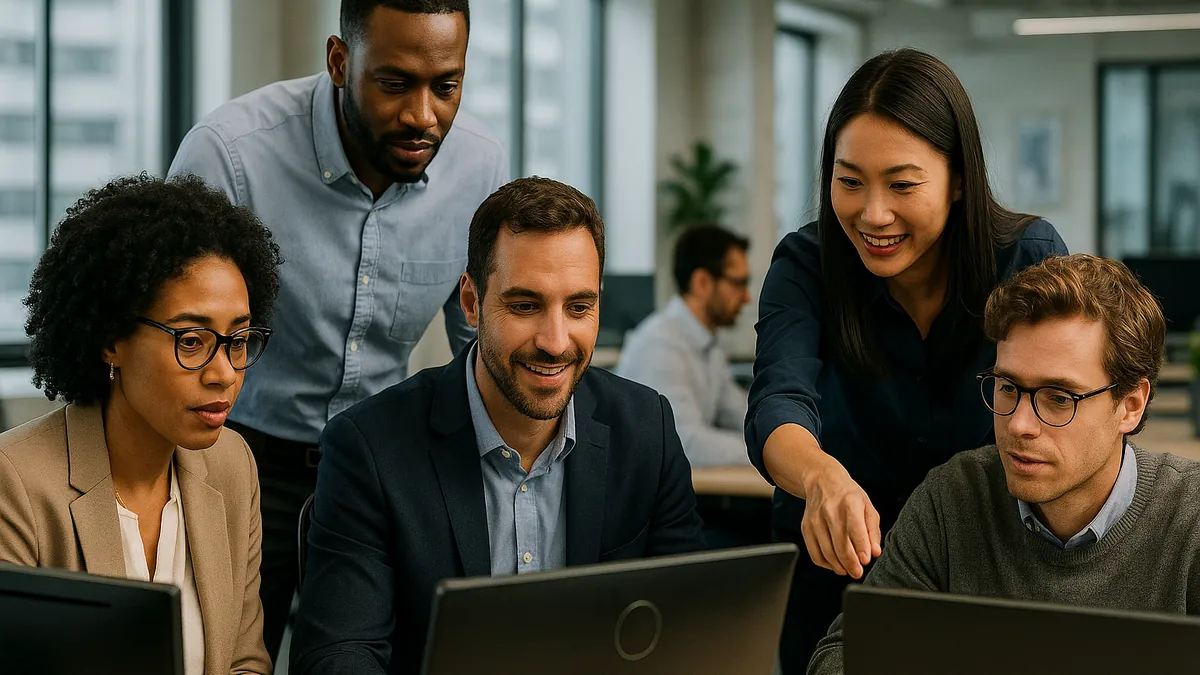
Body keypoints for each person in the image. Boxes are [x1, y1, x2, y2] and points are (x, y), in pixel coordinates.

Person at [166, 0, 507, 656]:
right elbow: (170, 342)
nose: (423, 115)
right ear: (340, 61)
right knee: (222, 656)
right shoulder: (231, 155)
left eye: (447, 86)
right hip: (237, 458)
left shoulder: (479, 168)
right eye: (395, 83)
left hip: (384, 461)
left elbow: (482, 350)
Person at [289, 177, 706, 675]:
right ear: (471, 303)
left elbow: (688, 630)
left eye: (579, 307)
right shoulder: (370, 448)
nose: (555, 341)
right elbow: (340, 654)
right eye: (525, 306)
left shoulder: (646, 432)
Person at [746, 48, 1070, 672]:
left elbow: (1067, 401)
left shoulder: (1025, 257)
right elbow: (777, 402)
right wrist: (821, 478)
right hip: (836, 579)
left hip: (987, 574)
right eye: (849, 181)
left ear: (956, 182)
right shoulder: (807, 265)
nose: (872, 214)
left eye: (902, 184)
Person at [808, 253, 1200, 673]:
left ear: (1130, 405)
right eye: (1007, 387)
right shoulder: (953, 497)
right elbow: (842, 657)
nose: (1018, 424)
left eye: (1058, 398)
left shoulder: (1190, 519)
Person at [0, 174, 283, 675]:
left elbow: (245, 661)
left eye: (238, 340)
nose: (224, 374)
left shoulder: (231, 464)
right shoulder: (16, 481)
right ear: (111, 340)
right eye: (191, 340)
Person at [616, 225, 753, 467]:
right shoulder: (660, 345)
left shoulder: (707, 346)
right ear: (702, 282)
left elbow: (743, 414)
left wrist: (789, 441)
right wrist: (770, 457)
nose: (747, 297)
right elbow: (686, 443)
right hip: (642, 500)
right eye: (738, 283)